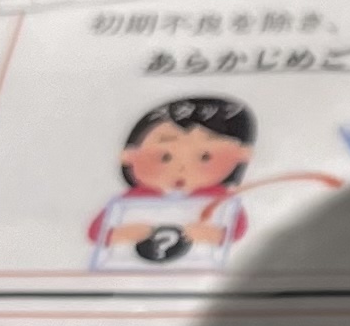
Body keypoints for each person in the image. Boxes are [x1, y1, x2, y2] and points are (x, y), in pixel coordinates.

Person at [87, 96, 255, 267]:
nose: (182, 169)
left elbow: (237, 230)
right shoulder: (130, 200)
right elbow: (95, 232)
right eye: (164, 157)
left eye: (205, 157)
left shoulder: (220, 199)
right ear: (128, 156)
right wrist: (119, 234)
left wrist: (214, 235)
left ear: (241, 155)